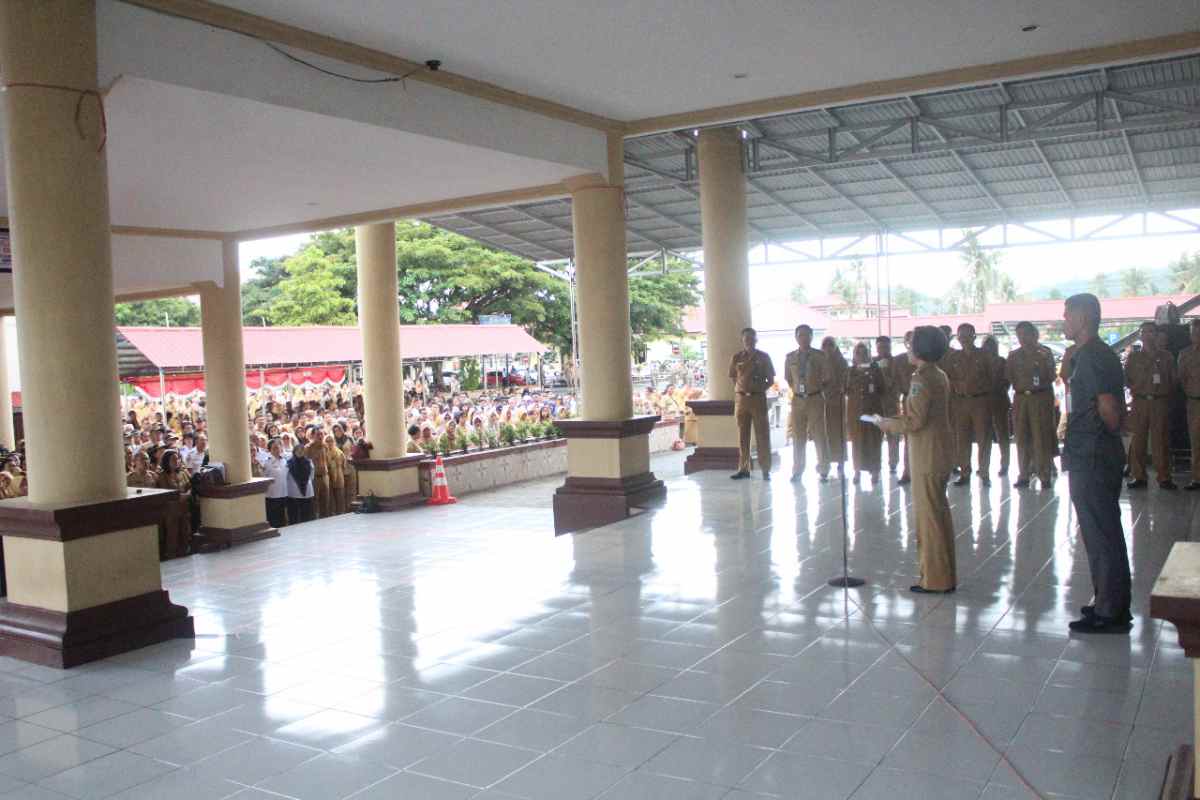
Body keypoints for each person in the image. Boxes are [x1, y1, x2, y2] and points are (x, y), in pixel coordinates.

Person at [1062, 293, 1132, 634]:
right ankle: (1106, 600)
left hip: (1093, 453)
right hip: (1088, 451)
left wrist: (1101, 437)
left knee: (1102, 532)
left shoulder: (1092, 355)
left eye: (1067, 315)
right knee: (1098, 531)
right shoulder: (1088, 354)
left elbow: (1109, 409)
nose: (1063, 321)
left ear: (1083, 318)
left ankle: (1111, 611)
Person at [877, 326, 956, 593]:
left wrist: (885, 424)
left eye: (911, 344)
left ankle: (935, 580)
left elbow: (915, 421)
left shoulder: (921, 379)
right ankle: (942, 575)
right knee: (937, 513)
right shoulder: (938, 374)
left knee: (929, 518)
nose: (908, 349)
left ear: (921, 349)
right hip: (938, 449)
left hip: (927, 453)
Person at [1124, 320, 1177, 490]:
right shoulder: (1133, 357)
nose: (1148, 335)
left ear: (1157, 334)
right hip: (1140, 401)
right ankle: (1139, 476)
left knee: (1161, 440)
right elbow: (1126, 379)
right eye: (1145, 332)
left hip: (1159, 401)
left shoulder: (1167, 357)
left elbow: (1174, 380)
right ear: (1140, 335)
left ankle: (1164, 477)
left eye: (1151, 331)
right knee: (1138, 439)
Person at [1007, 321, 1057, 489]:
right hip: (1021, 398)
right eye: (1019, 335)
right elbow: (1009, 376)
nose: (1022, 338)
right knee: (1021, 437)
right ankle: (1024, 474)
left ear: (1034, 335)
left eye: (1025, 334)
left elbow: (1051, 376)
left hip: (1040, 397)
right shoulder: (1014, 355)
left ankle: (1044, 474)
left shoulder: (1044, 353)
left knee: (1041, 436)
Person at [944, 323, 994, 486]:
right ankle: (965, 472)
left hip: (980, 401)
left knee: (983, 438)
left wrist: (979, 386)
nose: (964, 339)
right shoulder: (954, 357)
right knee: (962, 438)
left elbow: (993, 378)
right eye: (961, 336)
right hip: (960, 402)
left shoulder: (984, 355)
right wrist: (958, 385)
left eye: (967, 335)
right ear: (957, 338)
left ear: (974, 336)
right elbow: (947, 378)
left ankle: (984, 472)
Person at [784, 324, 830, 482]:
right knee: (798, 436)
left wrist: (814, 388)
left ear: (811, 336)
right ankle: (797, 470)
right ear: (796, 338)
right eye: (800, 335)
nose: (803, 338)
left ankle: (823, 469)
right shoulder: (790, 357)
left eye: (806, 335)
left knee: (819, 435)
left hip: (815, 398)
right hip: (797, 399)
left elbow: (827, 377)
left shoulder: (820, 356)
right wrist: (799, 390)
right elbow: (789, 379)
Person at [728, 327, 775, 480]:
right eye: (746, 337)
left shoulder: (764, 357)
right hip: (742, 400)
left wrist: (758, 389)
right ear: (742, 340)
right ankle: (743, 468)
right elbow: (733, 377)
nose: (749, 340)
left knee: (762, 434)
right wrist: (742, 389)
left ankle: (765, 469)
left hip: (758, 399)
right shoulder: (736, 357)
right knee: (743, 435)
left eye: (751, 337)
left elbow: (770, 380)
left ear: (756, 339)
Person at [845, 342, 883, 482]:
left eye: (864, 353)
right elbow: (845, 389)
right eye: (858, 353)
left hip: (873, 410)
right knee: (857, 442)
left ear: (869, 355)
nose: (861, 356)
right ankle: (857, 471)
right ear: (854, 356)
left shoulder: (875, 369)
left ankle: (875, 471)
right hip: (855, 411)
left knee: (874, 441)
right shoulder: (850, 371)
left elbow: (882, 388)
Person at [980, 335, 1012, 477]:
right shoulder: (979, 362)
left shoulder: (1002, 361)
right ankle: (983, 465)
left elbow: (1007, 381)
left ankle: (1005, 464)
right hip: (983, 402)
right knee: (984, 435)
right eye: (986, 345)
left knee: (1002, 434)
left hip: (999, 400)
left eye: (991, 345)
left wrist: (995, 388)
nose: (989, 348)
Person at [156, 449, 192, 559]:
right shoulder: (162, 476)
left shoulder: (183, 472)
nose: (176, 461)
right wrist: (181, 496)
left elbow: (190, 485)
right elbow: (165, 492)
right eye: (173, 459)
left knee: (185, 530)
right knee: (172, 533)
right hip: (170, 509)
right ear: (166, 461)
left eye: (177, 459)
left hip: (184, 507)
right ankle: (171, 554)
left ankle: (185, 551)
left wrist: (188, 494)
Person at [893, 330, 918, 484]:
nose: (910, 344)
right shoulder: (899, 360)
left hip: (923, 400)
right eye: (908, 341)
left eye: (913, 340)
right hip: (907, 399)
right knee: (908, 436)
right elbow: (895, 382)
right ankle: (907, 471)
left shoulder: (926, 359)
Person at [1178, 319, 1200, 491]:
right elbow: (1182, 378)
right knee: (1196, 442)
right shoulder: (1184, 354)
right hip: (1194, 402)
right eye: (1194, 332)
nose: (1197, 335)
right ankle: (1197, 478)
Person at [874, 335, 901, 474]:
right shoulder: (872, 362)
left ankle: (893, 463)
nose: (883, 349)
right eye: (880, 347)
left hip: (891, 404)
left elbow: (894, 383)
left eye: (886, 347)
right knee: (875, 436)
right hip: (876, 405)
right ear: (876, 348)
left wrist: (884, 370)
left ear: (890, 347)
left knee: (893, 435)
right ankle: (875, 464)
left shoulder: (896, 362)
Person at [821, 336, 848, 473]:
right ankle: (825, 461)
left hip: (837, 400)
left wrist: (838, 388)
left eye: (830, 345)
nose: (828, 348)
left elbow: (845, 380)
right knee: (824, 432)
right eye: (825, 345)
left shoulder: (841, 362)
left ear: (835, 347)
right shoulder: (819, 360)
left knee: (839, 431)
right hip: (823, 401)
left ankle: (840, 460)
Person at [286, 442, 316, 524]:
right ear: (294, 451)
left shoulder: (308, 462)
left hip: (307, 492)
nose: (300, 452)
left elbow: (312, 476)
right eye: (298, 450)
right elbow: (286, 477)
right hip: (294, 493)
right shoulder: (289, 463)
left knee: (307, 516)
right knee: (294, 516)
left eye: (302, 450)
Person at [263, 437, 289, 528]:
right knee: (273, 519)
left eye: (278, 447)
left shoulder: (284, 460)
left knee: (282, 518)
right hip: (272, 495)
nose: (277, 450)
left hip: (283, 493)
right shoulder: (267, 462)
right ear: (269, 450)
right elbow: (263, 477)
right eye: (274, 448)